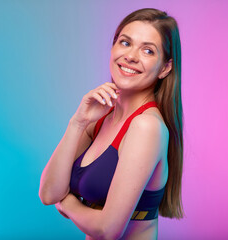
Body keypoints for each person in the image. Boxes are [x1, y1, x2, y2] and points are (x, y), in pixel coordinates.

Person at [39, 8, 184, 240]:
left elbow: (108, 230)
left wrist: (67, 204)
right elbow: (48, 193)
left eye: (147, 50)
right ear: (113, 47)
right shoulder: (100, 119)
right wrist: (78, 122)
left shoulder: (146, 127)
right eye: (125, 43)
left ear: (165, 68)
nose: (131, 56)